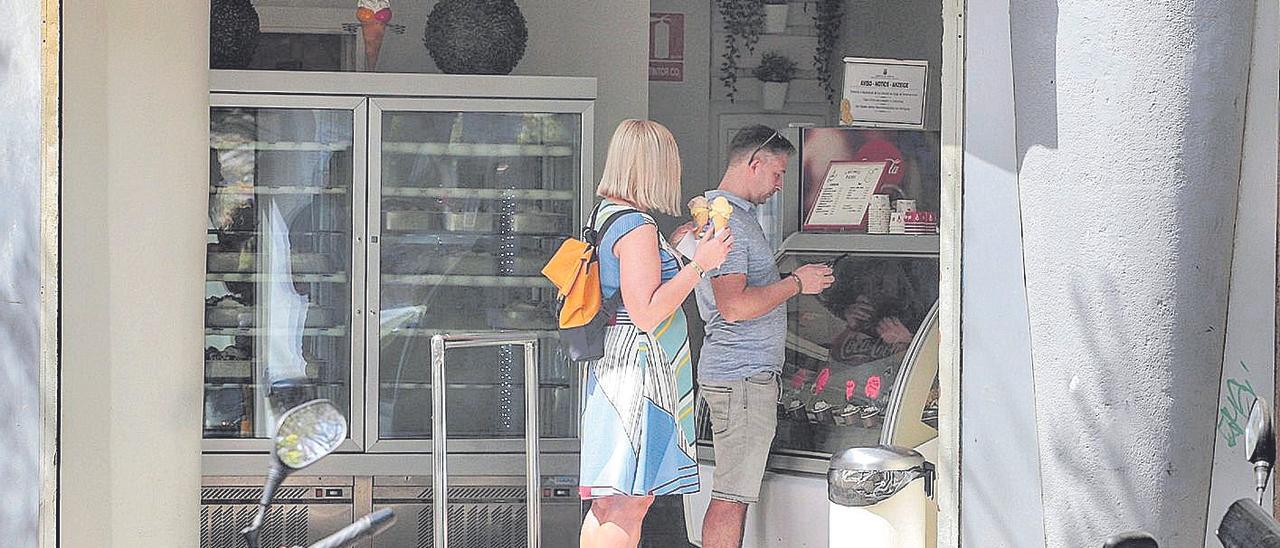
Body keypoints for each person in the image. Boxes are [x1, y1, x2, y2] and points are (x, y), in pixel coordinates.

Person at [579, 119, 734, 548]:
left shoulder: (607, 214)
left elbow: (630, 285)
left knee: (611, 500)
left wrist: (677, 247)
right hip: (640, 373)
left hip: (615, 367)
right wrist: (701, 264)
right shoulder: (638, 227)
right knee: (630, 500)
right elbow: (645, 312)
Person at [690, 125, 834, 548]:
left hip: (739, 376)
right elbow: (733, 306)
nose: (779, 184)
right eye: (777, 173)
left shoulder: (715, 214)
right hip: (741, 378)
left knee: (733, 494)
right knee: (730, 498)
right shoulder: (729, 222)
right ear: (754, 164)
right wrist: (796, 283)